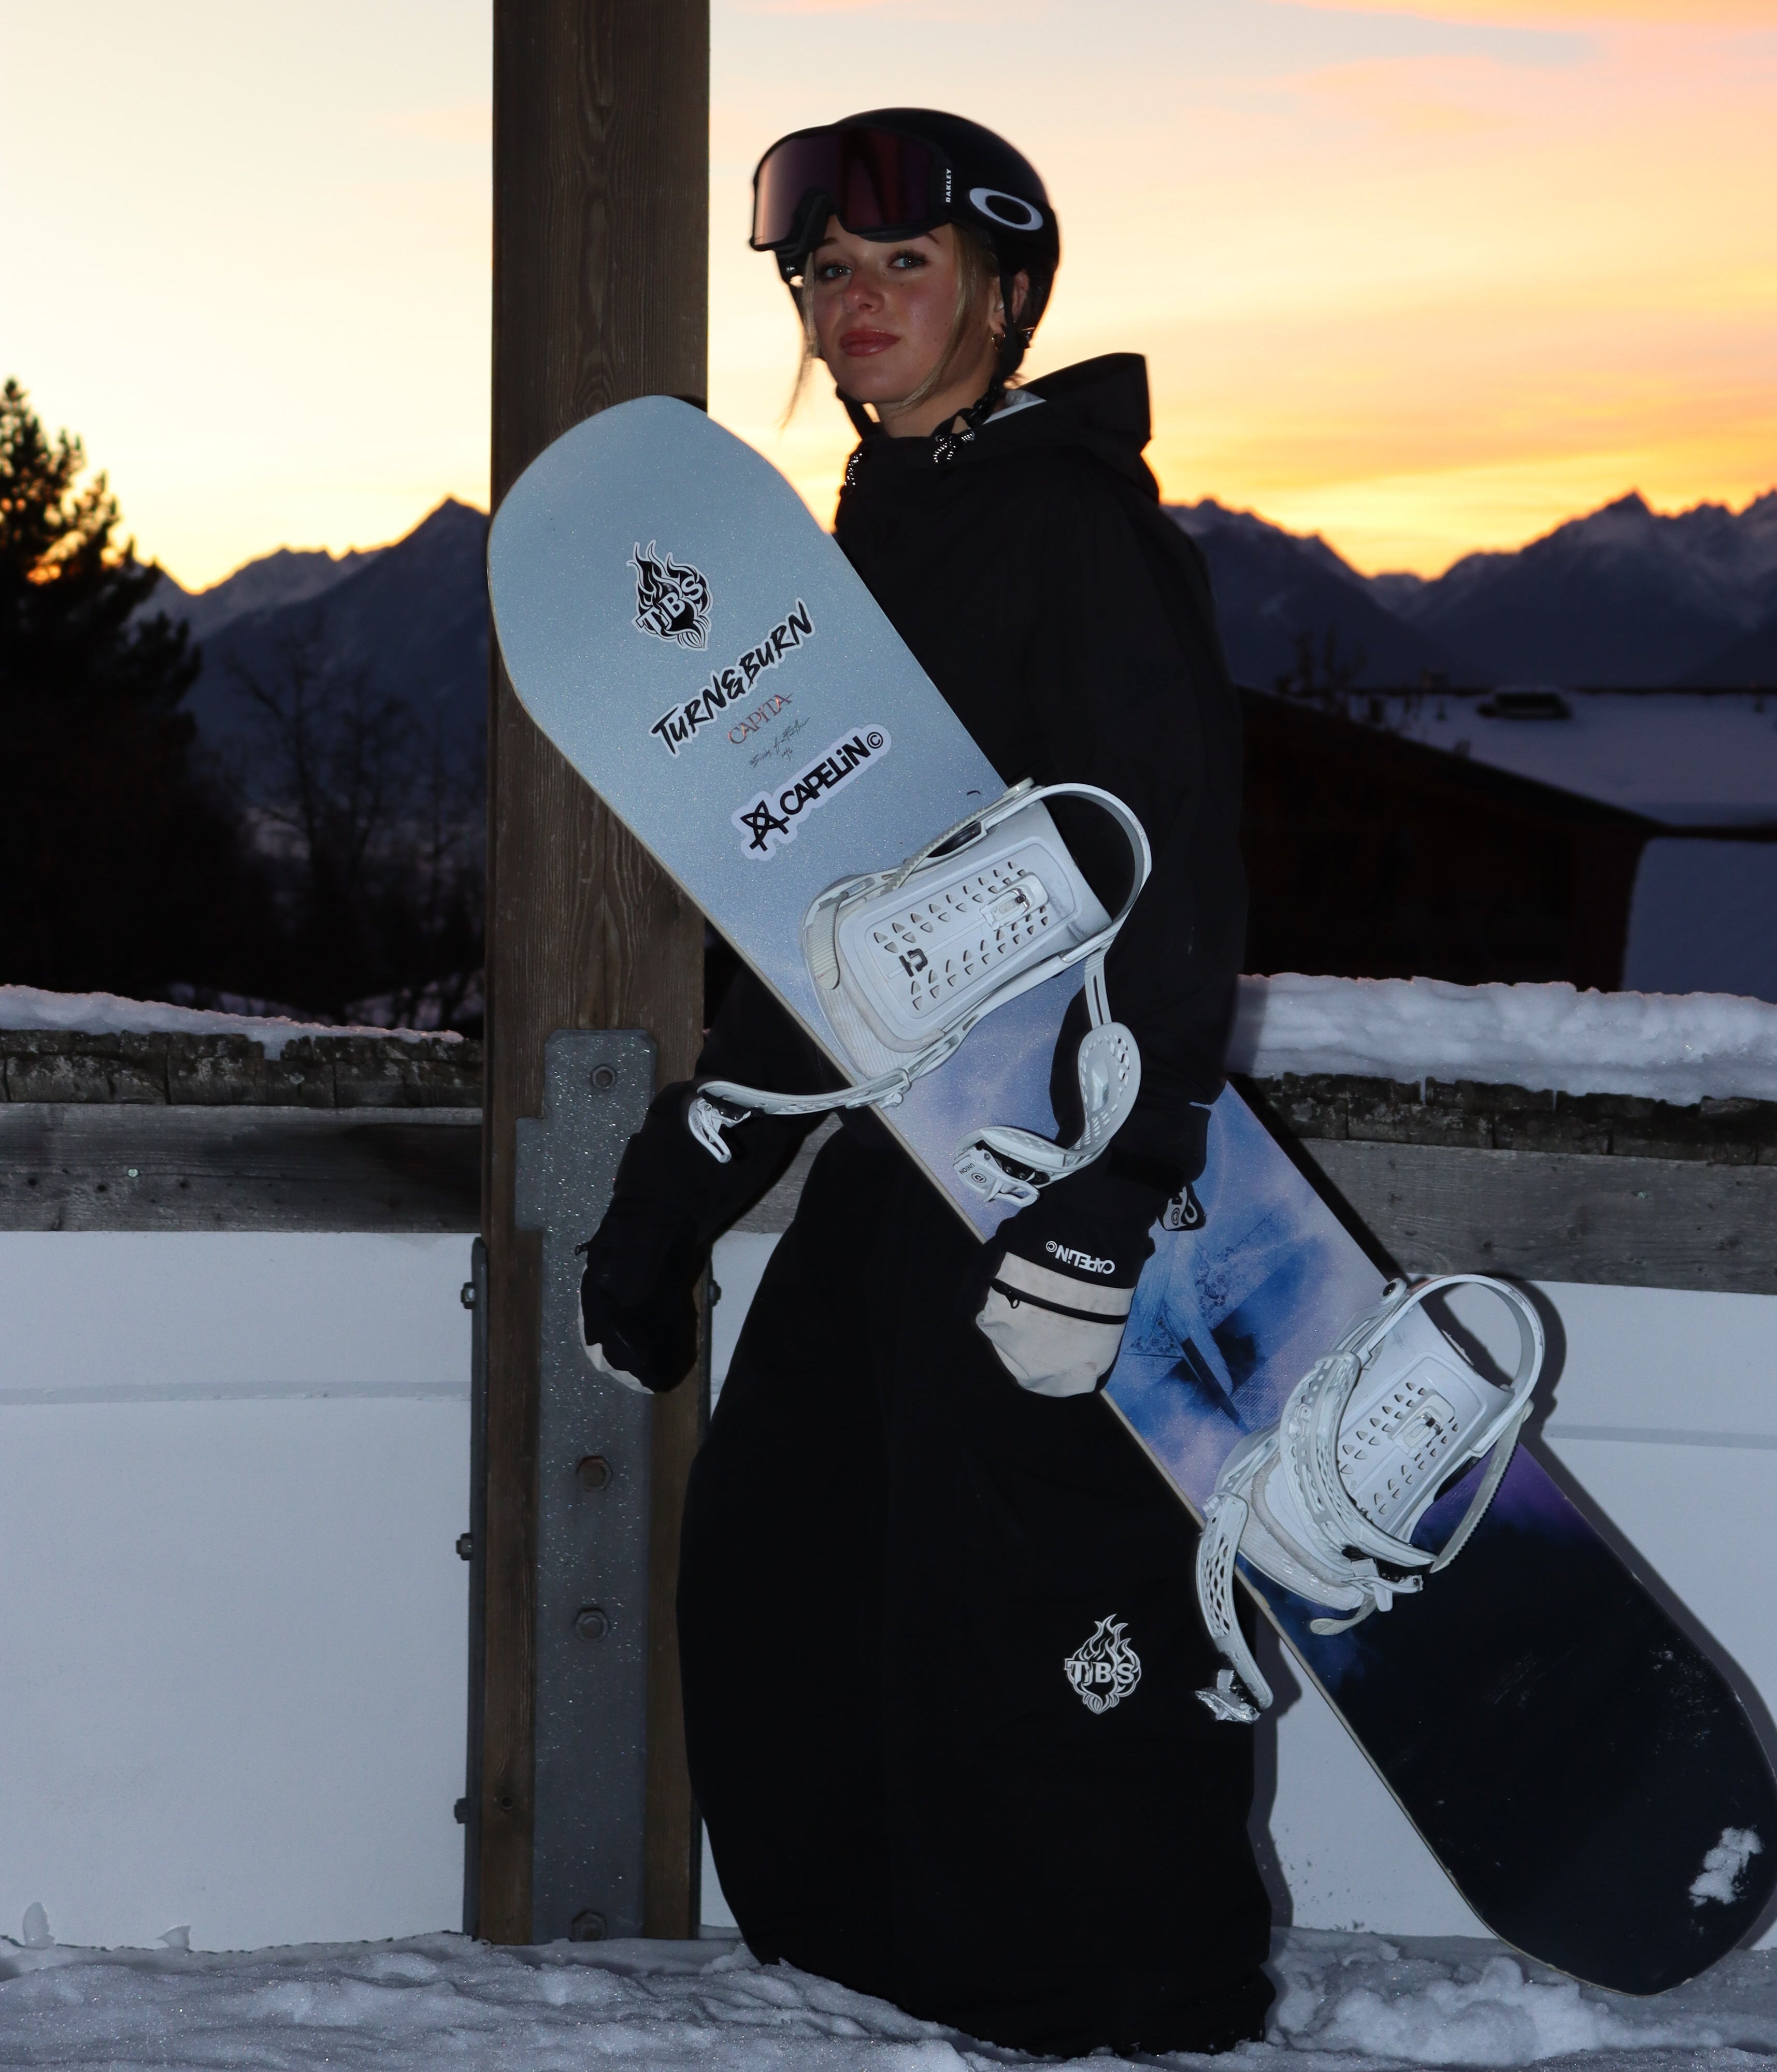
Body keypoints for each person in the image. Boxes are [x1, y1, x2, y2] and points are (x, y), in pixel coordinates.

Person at [578, 109, 1269, 2055]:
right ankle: (877, 1989)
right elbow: (840, 919)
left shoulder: (1068, 524)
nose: (849, 304)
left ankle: (1138, 2002)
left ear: (1001, 290)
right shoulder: (875, 530)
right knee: (786, 1557)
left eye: (898, 266)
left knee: (1030, 1592)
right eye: (822, 276)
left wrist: (1119, 1196)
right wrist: (680, 1194)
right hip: (901, 1152)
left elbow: (1174, 861)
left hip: (1046, 1159)